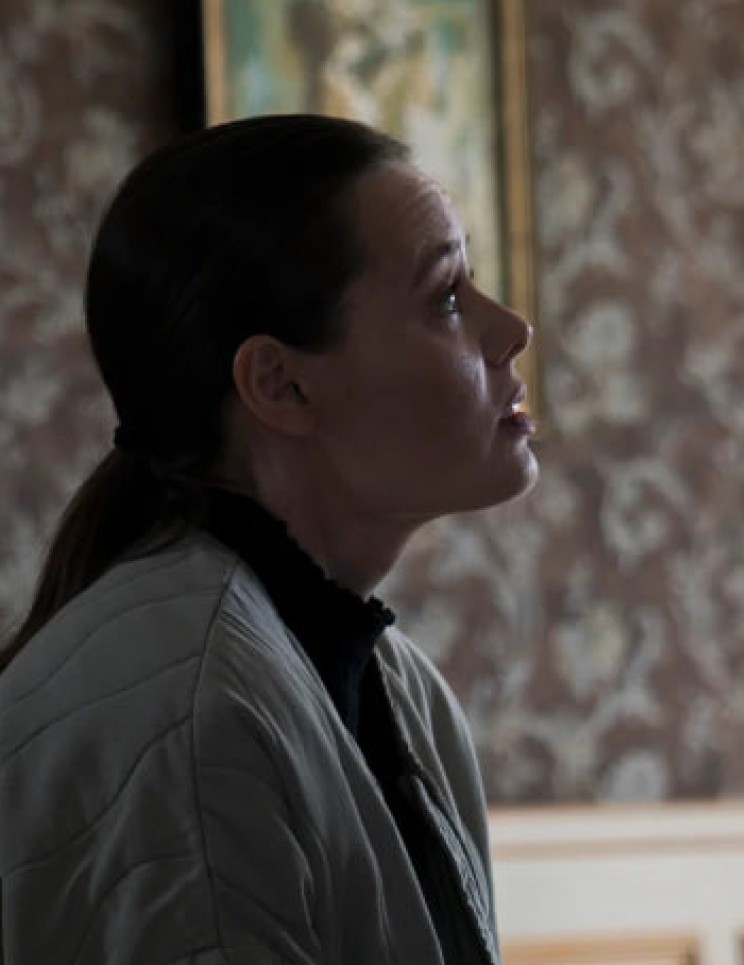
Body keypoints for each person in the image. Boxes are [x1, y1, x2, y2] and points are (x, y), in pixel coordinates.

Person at [0, 114, 537, 965]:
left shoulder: (403, 694)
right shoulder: (196, 719)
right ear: (279, 384)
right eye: (445, 296)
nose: (511, 328)